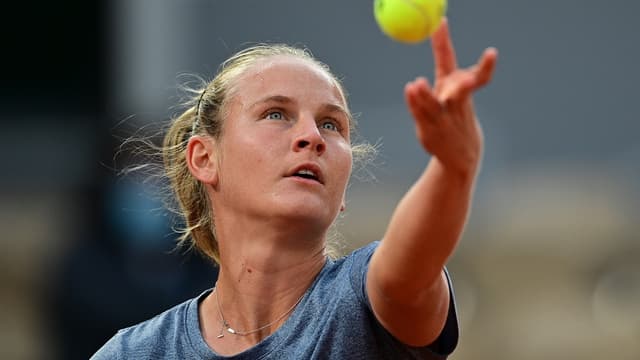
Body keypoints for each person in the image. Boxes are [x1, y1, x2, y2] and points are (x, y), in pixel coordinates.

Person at [91, 18, 497, 359]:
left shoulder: (363, 302)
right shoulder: (131, 353)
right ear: (204, 158)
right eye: (276, 113)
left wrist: (453, 167)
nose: (311, 136)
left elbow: (410, 269)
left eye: (330, 124)